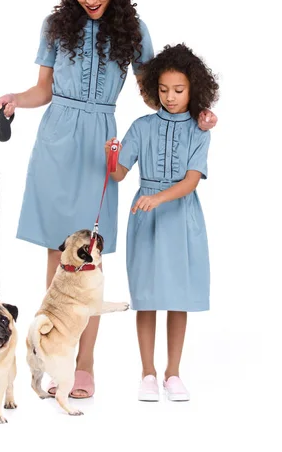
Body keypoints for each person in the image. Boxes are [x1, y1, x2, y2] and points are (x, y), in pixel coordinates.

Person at [0, 0, 218, 398]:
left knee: (88, 258)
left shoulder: (134, 30)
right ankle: (57, 354)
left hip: (101, 144)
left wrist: (195, 113)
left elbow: (155, 92)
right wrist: (16, 99)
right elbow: (43, 89)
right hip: (57, 141)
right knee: (58, 256)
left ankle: (86, 364)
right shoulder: (54, 27)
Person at [105, 44, 219, 402]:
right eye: (164, 90)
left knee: (177, 298)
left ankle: (173, 373)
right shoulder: (141, 127)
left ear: (194, 89)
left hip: (181, 219)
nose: (170, 97)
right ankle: (148, 373)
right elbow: (121, 174)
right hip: (146, 221)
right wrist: (112, 157)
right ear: (154, 87)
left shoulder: (199, 130)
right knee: (147, 298)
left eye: (179, 91)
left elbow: (190, 180)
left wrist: (158, 197)